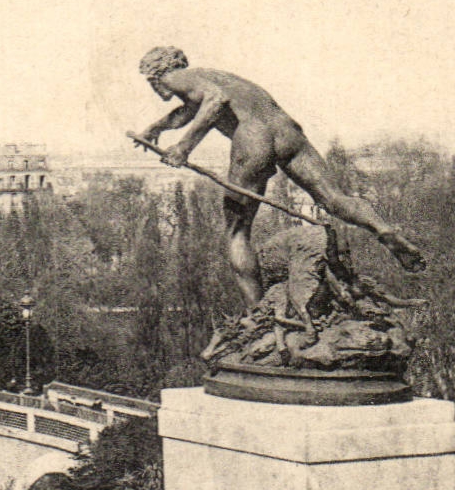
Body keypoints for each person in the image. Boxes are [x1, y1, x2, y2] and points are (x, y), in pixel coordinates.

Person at [136, 46, 426, 306]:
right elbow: (190, 110)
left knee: (237, 232)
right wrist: (156, 128)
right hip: (286, 131)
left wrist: (184, 147)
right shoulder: (213, 76)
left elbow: (214, 101)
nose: (156, 89)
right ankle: (384, 230)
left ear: (158, 72)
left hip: (254, 137)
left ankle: (258, 313)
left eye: (152, 82)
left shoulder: (178, 76)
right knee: (334, 198)